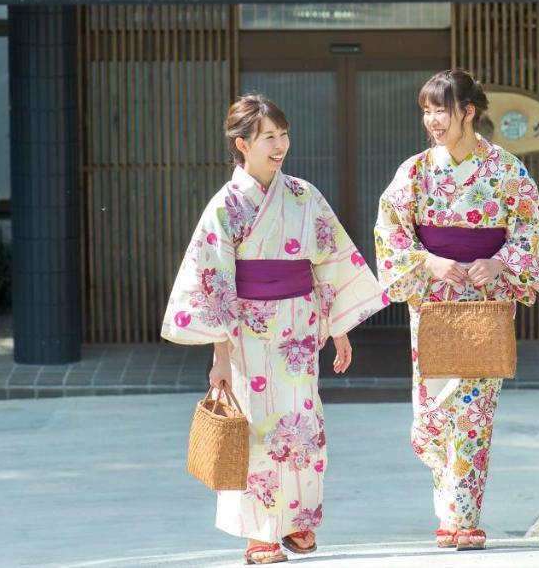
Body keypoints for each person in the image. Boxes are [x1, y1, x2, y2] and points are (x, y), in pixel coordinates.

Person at [161, 94, 388, 566]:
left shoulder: (304, 195)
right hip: (247, 329)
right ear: (242, 144)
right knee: (258, 428)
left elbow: (328, 260)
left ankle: (299, 520)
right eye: (269, 137)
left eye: (283, 134)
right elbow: (215, 281)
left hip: (301, 325)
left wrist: (338, 327)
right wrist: (219, 356)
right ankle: (260, 532)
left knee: (304, 422)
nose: (280, 144)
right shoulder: (226, 206)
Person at [373, 69, 539, 551]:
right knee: (431, 418)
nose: (432, 119)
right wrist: (429, 260)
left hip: (486, 304)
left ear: (468, 111)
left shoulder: (509, 172)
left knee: (474, 414)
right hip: (432, 302)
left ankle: (461, 518)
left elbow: (527, 235)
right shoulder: (414, 172)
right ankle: (449, 497)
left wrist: (499, 262)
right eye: (426, 110)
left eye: (441, 109)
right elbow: (390, 233)